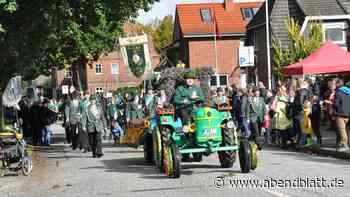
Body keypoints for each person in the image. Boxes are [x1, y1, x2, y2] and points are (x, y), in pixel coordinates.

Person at [333, 81, 350, 151]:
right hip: (348, 114)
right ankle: (343, 143)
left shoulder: (338, 92)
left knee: (342, 130)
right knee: (346, 130)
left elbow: (336, 104)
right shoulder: (348, 91)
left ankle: (345, 145)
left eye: (335, 84)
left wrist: (332, 104)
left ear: (338, 84)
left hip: (340, 114)